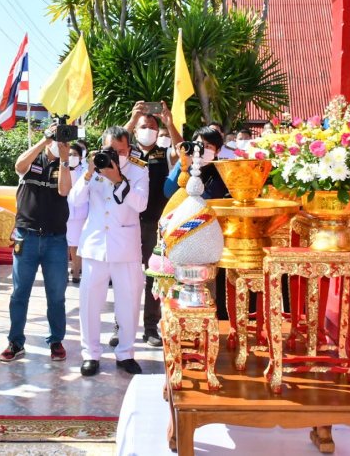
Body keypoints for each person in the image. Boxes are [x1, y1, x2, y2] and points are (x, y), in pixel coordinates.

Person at [70, 126, 149, 376]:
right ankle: (90, 354)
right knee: (90, 303)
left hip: (125, 247)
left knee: (129, 302)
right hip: (95, 246)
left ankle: (125, 353)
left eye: (121, 150)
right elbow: (74, 201)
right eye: (110, 150)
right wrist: (89, 172)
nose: (115, 155)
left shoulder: (139, 170)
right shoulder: (91, 167)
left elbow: (140, 204)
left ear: (129, 148)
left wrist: (117, 179)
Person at [0, 123, 72, 363]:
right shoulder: (33, 160)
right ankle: (15, 342)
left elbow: (64, 191)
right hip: (26, 235)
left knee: (57, 295)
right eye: (55, 135)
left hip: (55, 239)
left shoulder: (65, 163)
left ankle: (56, 341)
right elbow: (19, 165)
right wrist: (44, 140)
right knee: (20, 292)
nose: (57, 139)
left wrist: (63, 158)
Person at [123, 101, 182, 348]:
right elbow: (109, 144)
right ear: (135, 131)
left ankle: (150, 328)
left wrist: (169, 122)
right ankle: (121, 326)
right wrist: (132, 118)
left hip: (154, 224)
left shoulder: (164, 153)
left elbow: (182, 151)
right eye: (143, 126)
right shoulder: (126, 152)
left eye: (152, 127)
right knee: (125, 276)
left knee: (152, 277)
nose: (148, 130)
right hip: (126, 223)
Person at [164, 126, 230, 320]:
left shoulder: (221, 172)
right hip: (182, 238)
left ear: (217, 151)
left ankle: (212, 322)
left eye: (208, 146)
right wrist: (183, 164)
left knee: (208, 289)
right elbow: (168, 190)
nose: (202, 149)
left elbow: (215, 197)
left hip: (208, 240)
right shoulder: (185, 166)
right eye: (199, 145)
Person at [67, 143, 88, 284]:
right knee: (68, 244)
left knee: (79, 243)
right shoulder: (61, 169)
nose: (72, 157)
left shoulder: (85, 170)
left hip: (81, 212)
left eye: (75, 154)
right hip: (64, 211)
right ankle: (68, 272)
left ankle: (76, 272)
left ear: (80, 157)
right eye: (69, 154)